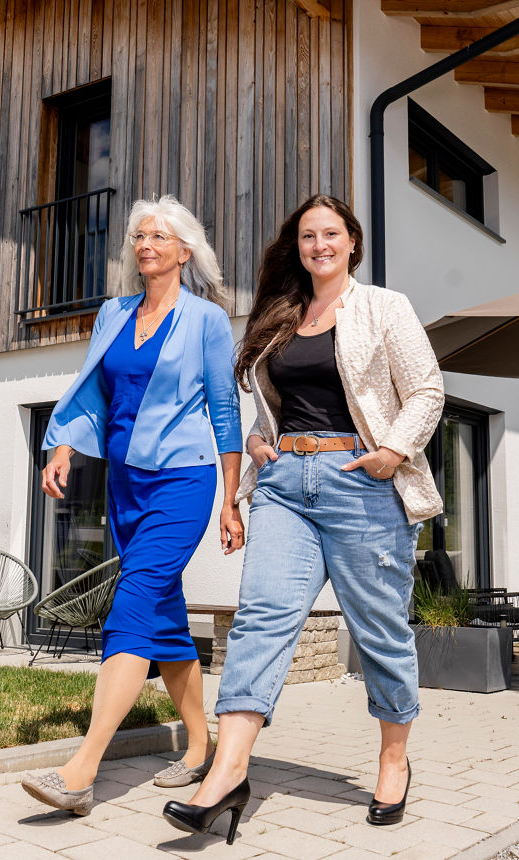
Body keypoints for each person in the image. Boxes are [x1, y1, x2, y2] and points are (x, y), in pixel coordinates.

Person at [162, 194, 443, 844]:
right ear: (299, 245)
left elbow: (426, 388)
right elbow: (276, 404)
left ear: (352, 242)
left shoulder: (382, 307)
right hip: (287, 483)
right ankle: (228, 776)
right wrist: (264, 440)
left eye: (331, 234)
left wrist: (393, 451)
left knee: (379, 631)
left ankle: (394, 758)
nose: (319, 244)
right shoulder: (282, 315)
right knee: (260, 619)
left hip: (362, 484)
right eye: (308, 235)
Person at [22, 195, 243, 816]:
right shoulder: (114, 313)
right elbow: (95, 388)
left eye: (160, 236)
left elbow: (224, 411)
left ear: (185, 251)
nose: (146, 244)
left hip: (183, 481)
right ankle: (200, 745)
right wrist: (65, 445)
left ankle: (80, 772)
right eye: (139, 236)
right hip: (125, 485)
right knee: (165, 622)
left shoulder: (206, 320)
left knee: (133, 602)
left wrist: (231, 501)